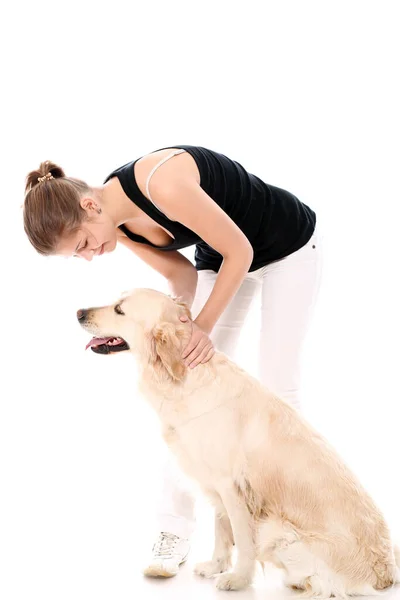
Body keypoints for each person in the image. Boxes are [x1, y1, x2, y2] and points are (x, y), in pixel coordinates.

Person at [23, 144, 322, 578]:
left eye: (83, 244)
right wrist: (175, 332)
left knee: (280, 390)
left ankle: (296, 529)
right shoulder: (117, 223)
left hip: (287, 248)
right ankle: (173, 533)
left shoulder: (161, 182)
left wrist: (201, 325)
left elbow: (242, 250)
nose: (89, 256)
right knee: (187, 400)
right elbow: (182, 276)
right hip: (221, 261)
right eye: (79, 254)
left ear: (89, 206)